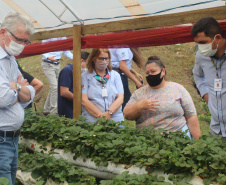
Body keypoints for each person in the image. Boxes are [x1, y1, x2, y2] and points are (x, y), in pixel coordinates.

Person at [123, 56, 201, 139]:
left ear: (163, 71)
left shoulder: (177, 88)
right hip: (148, 140)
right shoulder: (139, 93)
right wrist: (139, 106)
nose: (150, 75)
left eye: (153, 71)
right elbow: (126, 114)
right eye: (147, 73)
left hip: (178, 138)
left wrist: (198, 143)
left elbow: (191, 116)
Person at [0, 13, 35, 185]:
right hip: (1, 140)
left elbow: (30, 94)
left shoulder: (11, 59)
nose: (21, 45)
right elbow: (4, 98)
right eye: (19, 40)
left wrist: (16, 86)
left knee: (10, 179)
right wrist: (19, 89)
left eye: (25, 42)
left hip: (12, 139)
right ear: (3, 32)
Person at [191, 17, 226, 141]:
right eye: (197, 43)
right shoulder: (202, 56)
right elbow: (198, 75)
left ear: (217, 38)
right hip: (216, 129)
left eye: (203, 42)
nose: (200, 47)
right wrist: (205, 94)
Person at [81, 48, 124, 123]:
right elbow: (84, 100)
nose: (104, 61)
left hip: (115, 119)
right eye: (101, 58)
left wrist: (108, 114)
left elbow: (120, 98)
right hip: (93, 120)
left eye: (106, 58)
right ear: (94, 59)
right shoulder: (85, 76)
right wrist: (102, 117)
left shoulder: (115, 75)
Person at [41, 37, 73, 115]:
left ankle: (47, 109)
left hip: (57, 65)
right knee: (54, 87)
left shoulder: (63, 38)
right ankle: (53, 112)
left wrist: (77, 58)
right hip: (48, 64)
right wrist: (48, 57)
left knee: (56, 87)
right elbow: (42, 48)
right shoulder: (48, 36)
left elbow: (67, 52)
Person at [58, 51, 90, 118]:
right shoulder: (67, 70)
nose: (89, 67)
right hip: (69, 112)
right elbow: (64, 92)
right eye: (88, 64)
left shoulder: (81, 73)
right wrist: (82, 100)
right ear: (81, 61)